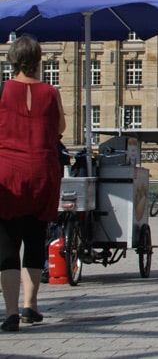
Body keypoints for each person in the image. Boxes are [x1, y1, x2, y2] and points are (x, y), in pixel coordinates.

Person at [0, 35, 66, 332]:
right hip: (42, 171)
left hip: (9, 172)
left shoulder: (3, 91)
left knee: (8, 242)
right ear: (39, 61)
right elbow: (61, 127)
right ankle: (30, 305)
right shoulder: (51, 92)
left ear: (12, 61)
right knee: (35, 237)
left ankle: (11, 312)